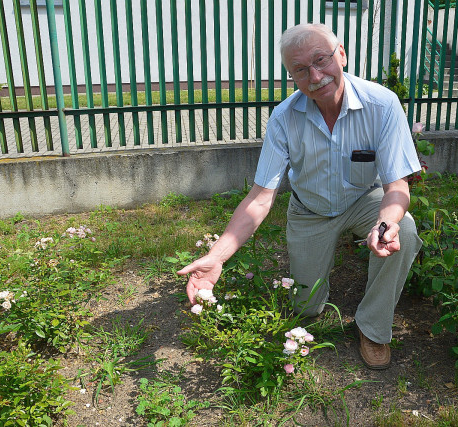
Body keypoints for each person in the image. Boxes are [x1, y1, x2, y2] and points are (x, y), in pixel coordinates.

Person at [178, 23, 422, 369]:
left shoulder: (381, 104)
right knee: (305, 307)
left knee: (405, 231)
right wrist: (218, 255)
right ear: (292, 76)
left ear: (342, 54)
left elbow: (397, 186)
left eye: (321, 60)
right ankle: (313, 297)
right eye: (301, 70)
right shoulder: (284, 117)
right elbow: (261, 197)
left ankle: (373, 327)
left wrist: (387, 221)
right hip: (310, 210)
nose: (316, 75)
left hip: (365, 201)